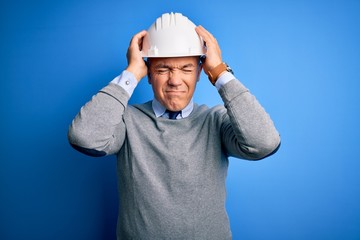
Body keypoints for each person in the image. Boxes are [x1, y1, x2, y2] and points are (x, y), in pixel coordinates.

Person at [68, 12, 280, 240]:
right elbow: (84, 136)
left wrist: (219, 72)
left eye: (186, 69)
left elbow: (264, 142)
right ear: (148, 74)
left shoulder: (215, 121)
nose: (175, 80)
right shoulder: (127, 121)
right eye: (163, 69)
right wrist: (131, 73)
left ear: (200, 72)